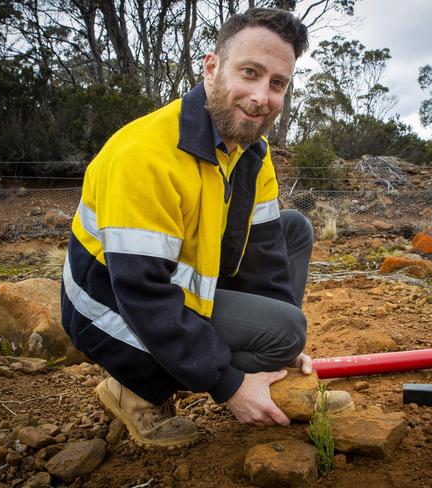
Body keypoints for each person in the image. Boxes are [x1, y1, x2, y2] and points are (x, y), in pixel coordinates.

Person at [61, 7, 353, 450]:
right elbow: (141, 293)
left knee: (293, 230)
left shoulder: (251, 150)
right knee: (286, 328)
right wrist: (228, 383)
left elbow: (267, 254)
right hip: (109, 307)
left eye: (278, 83)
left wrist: (277, 350)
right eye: (250, 73)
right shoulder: (145, 155)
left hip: (173, 284)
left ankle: (270, 375)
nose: (261, 97)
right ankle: (134, 388)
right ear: (211, 67)